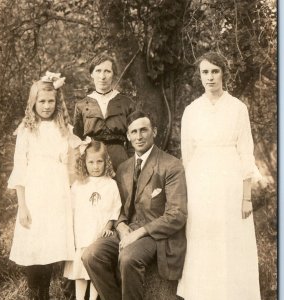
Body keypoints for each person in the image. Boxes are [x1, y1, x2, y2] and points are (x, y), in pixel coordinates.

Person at [176, 51, 262, 300]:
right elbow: (187, 155)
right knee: (203, 239)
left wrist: (246, 197)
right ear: (199, 76)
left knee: (231, 239)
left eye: (215, 71)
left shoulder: (237, 108)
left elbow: (246, 152)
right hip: (200, 183)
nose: (210, 77)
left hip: (230, 183)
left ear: (223, 73)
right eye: (205, 72)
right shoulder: (192, 110)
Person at [82, 110, 188, 300]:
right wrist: (121, 226)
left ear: (154, 131)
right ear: (128, 137)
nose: (139, 136)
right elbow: (119, 206)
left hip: (155, 235)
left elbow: (177, 214)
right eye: (134, 132)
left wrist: (140, 233)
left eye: (143, 130)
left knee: (129, 258)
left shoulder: (171, 165)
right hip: (127, 231)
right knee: (91, 255)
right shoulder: (124, 168)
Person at [8, 72, 75, 300]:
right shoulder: (26, 130)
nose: (46, 106)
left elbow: (72, 163)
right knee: (33, 247)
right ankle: (34, 294)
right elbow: (20, 168)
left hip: (57, 194)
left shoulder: (64, 128)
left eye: (51, 101)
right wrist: (23, 206)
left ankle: (45, 294)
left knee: (49, 249)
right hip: (35, 194)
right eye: (42, 101)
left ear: (57, 103)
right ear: (33, 102)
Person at [63, 140, 122, 300]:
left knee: (94, 270)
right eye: (91, 162)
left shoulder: (111, 184)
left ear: (106, 162)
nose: (95, 166)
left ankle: (93, 298)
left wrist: (109, 226)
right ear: (85, 163)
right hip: (82, 233)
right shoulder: (79, 185)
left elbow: (114, 209)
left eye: (99, 162)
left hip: (98, 234)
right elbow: (72, 209)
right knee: (80, 272)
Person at [73, 53, 135, 171]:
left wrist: (132, 163)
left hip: (120, 160)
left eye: (107, 71)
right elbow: (77, 138)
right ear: (91, 74)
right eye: (98, 71)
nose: (102, 76)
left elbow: (133, 138)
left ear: (113, 74)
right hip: (93, 159)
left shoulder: (126, 103)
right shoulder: (81, 105)